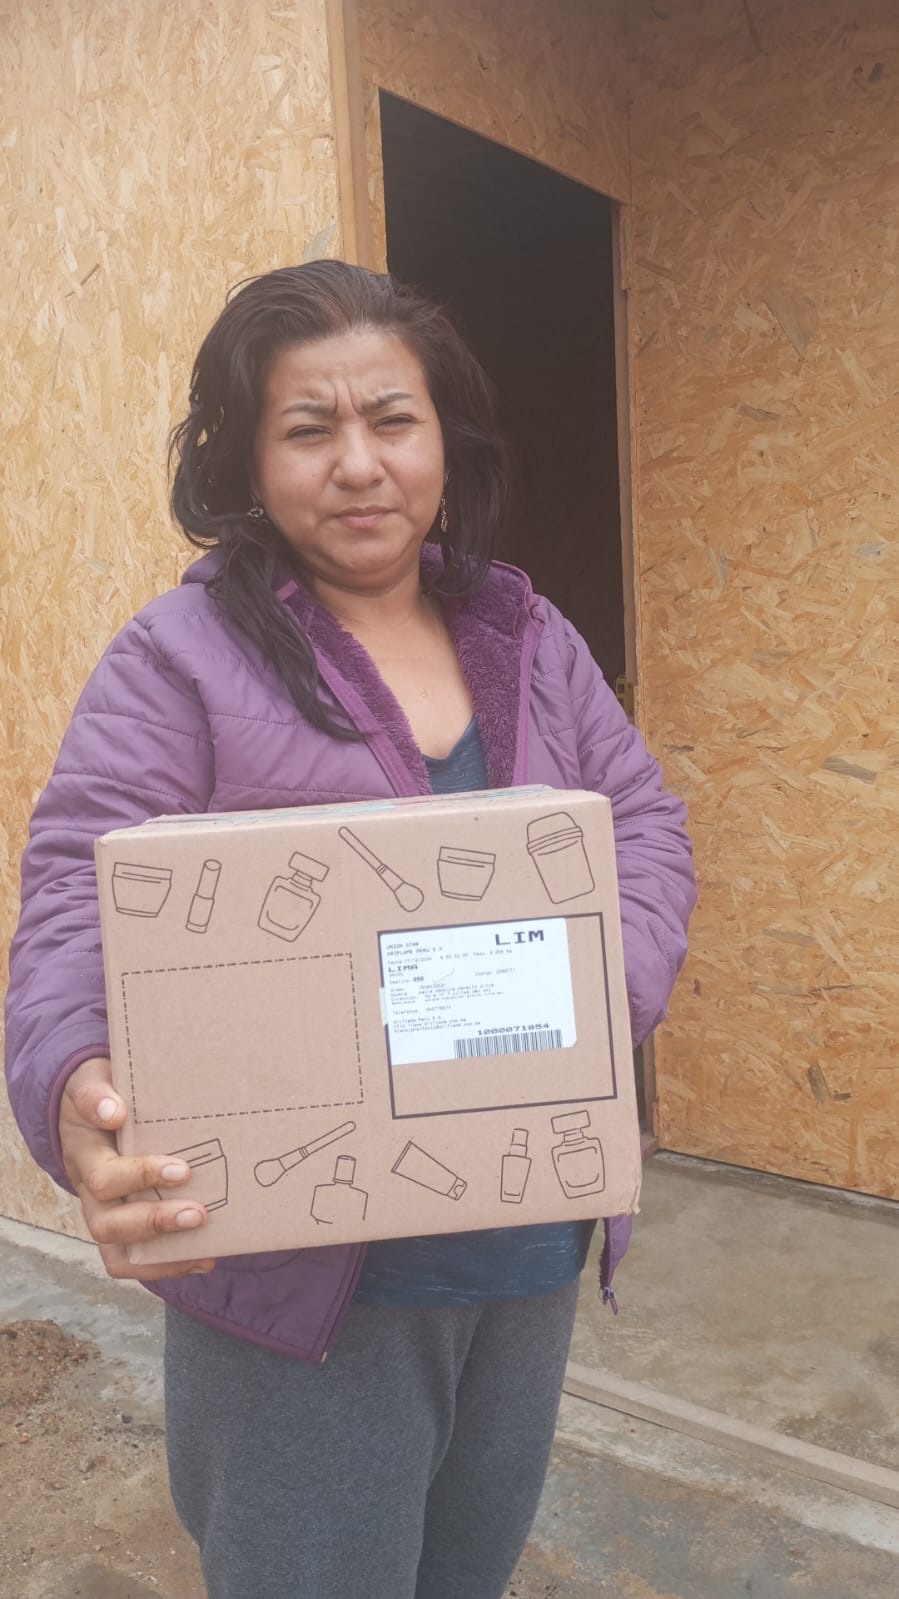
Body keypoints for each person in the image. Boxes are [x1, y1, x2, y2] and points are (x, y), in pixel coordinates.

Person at [5, 261, 696, 1599]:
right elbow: (83, 892)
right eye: (308, 429)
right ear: (247, 460)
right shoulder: (182, 656)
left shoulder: (525, 632)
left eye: (393, 419)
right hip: (306, 1284)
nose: (359, 465)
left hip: (523, 1242)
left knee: (465, 1571)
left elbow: (643, 825)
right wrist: (76, 1080)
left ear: (446, 437)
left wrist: (593, 1003)